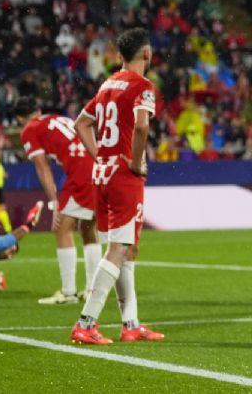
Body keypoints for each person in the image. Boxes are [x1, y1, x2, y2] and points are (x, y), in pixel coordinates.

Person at [70, 28, 164, 345]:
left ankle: (131, 324)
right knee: (119, 248)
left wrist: (101, 155)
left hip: (101, 174)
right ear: (147, 55)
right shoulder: (143, 86)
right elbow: (141, 125)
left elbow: (81, 123)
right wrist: (136, 163)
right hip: (124, 177)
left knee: (126, 247)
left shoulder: (108, 84)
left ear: (120, 55)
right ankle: (86, 322)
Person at [15, 97, 102, 305]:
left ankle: (69, 292)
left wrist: (54, 202)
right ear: (38, 108)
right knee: (89, 228)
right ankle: (92, 290)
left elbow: (42, 166)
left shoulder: (29, 130)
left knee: (62, 228)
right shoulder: (57, 119)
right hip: (98, 165)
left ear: (19, 118)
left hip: (81, 172)